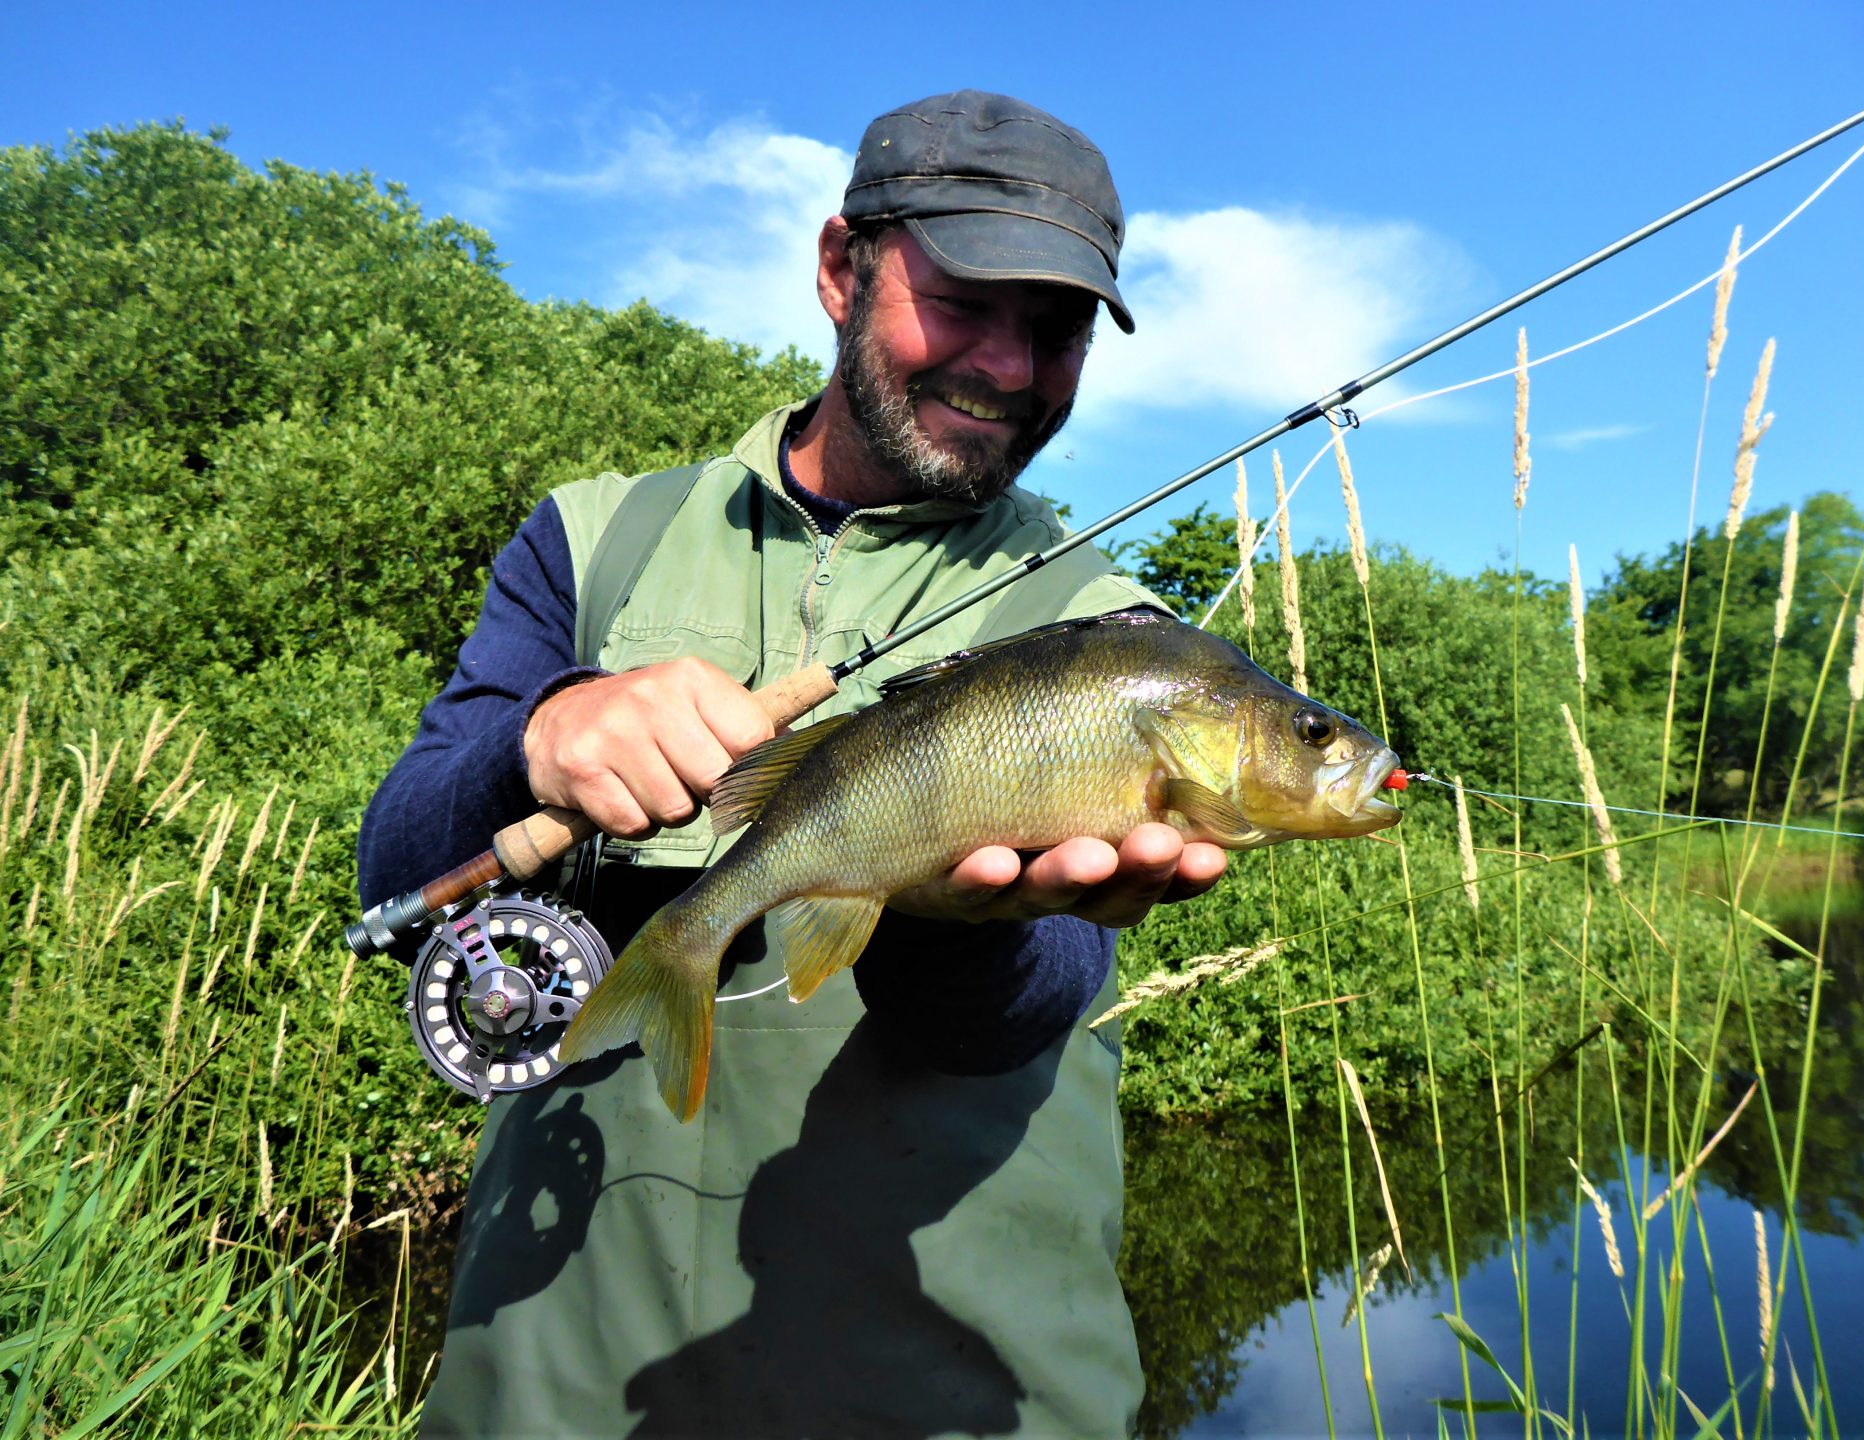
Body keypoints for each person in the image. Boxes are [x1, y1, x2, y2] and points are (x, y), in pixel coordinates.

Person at [358, 89, 1226, 1438]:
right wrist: (534, 748)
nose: (1005, 364)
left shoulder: (1113, 630)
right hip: (553, 1379)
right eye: (963, 301)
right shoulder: (596, 541)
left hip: (949, 1390)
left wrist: (957, 919)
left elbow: (1025, 1009)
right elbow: (400, 869)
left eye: (1054, 329)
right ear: (840, 268)